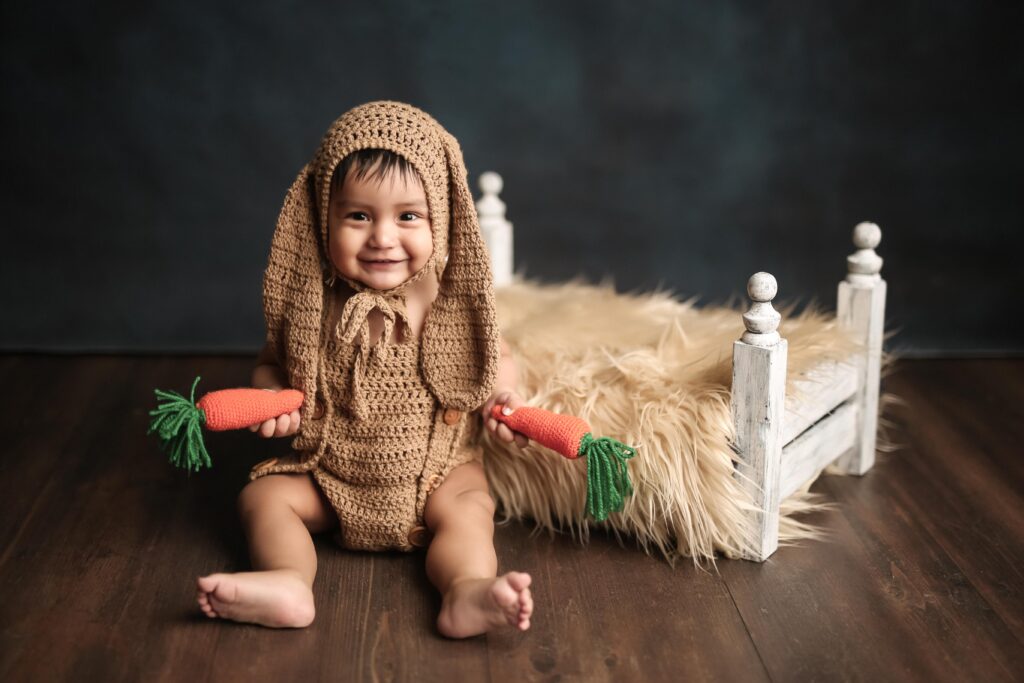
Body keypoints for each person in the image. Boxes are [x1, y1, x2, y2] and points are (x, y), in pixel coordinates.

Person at [194, 101, 533, 638]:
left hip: (436, 476)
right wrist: (272, 398)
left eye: (408, 216)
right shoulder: (311, 302)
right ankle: (286, 580)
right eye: (358, 216)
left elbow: (494, 356)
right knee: (262, 498)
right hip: (331, 475)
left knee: (471, 510)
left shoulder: (447, 297)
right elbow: (269, 364)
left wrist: (503, 399)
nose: (382, 237)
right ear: (322, 217)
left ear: (440, 218)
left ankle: (465, 592)